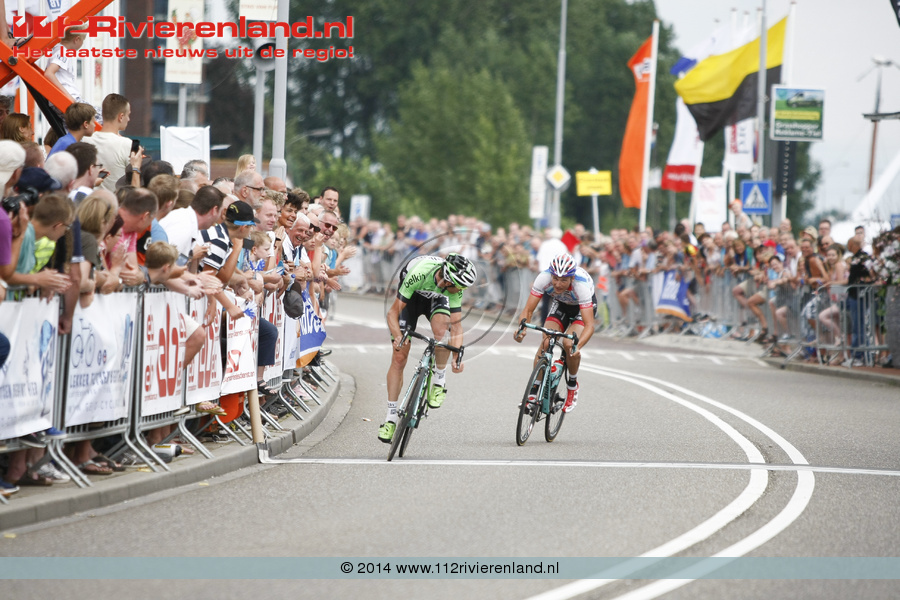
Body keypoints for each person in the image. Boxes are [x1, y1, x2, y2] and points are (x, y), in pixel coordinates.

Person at [378, 252, 477, 443]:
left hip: (436, 299)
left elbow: (456, 327)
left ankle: (439, 381)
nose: (461, 290)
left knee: (442, 333)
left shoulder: (454, 287)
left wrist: (457, 357)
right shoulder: (419, 273)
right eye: (459, 286)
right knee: (399, 357)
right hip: (411, 298)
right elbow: (392, 313)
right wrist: (398, 337)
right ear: (448, 280)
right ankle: (390, 419)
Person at [513, 253, 595, 413]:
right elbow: (528, 310)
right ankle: (533, 392)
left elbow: (589, 325)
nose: (557, 284)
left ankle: (572, 385)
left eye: (563, 280)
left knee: (569, 344)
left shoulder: (581, 285)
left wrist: (578, 346)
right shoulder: (543, 278)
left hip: (581, 309)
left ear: (572, 278)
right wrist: (522, 329)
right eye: (555, 278)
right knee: (546, 341)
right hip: (561, 304)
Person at [83, 93, 136, 192]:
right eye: (128, 115)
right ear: (121, 117)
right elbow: (135, 181)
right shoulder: (127, 144)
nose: (129, 119)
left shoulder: (85, 140)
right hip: (115, 200)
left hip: (89, 200)